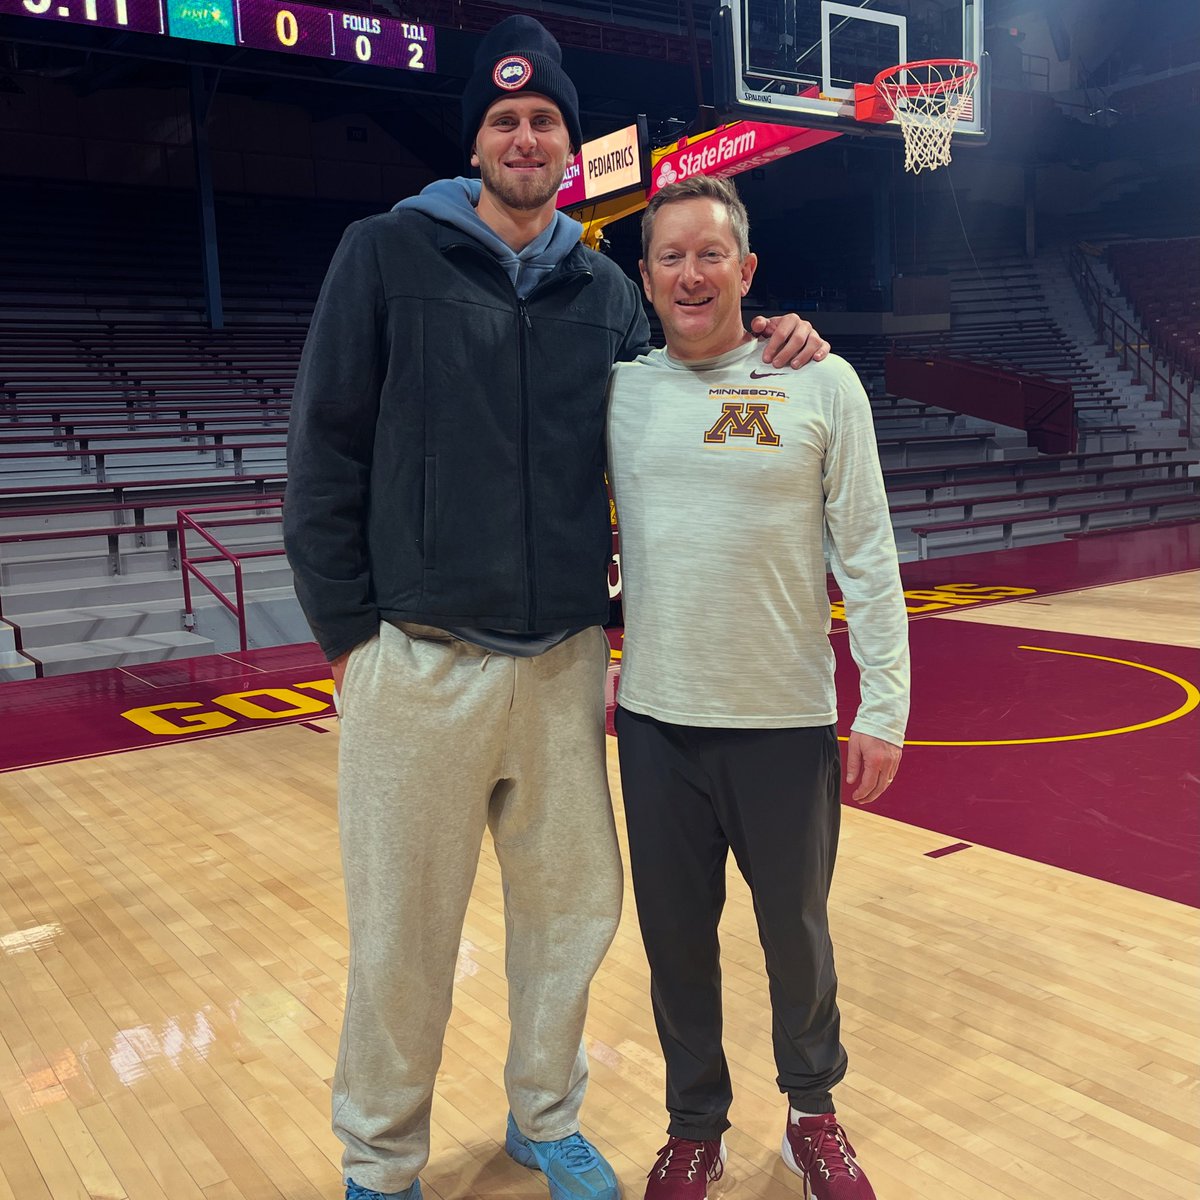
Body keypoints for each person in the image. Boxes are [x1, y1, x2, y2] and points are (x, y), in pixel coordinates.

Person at [283, 17, 829, 1200]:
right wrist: (350, 642)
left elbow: (691, 377)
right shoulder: (385, 253)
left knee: (570, 917)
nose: (525, 138)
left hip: (564, 661)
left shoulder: (605, 290)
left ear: (569, 145)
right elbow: (323, 453)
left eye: (544, 121)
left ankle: (545, 1116)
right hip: (417, 660)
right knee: (403, 936)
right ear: (476, 140)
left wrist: (775, 341)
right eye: (505, 119)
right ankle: (381, 1159)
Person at [605, 175, 910, 1200]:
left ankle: (811, 1116)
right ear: (645, 277)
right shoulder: (620, 394)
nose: (692, 274)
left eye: (711, 254)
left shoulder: (821, 383)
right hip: (657, 726)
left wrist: (884, 708)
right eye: (671, 257)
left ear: (747, 269)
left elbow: (868, 555)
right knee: (676, 947)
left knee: (799, 939)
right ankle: (695, 1127)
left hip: (785, 721)